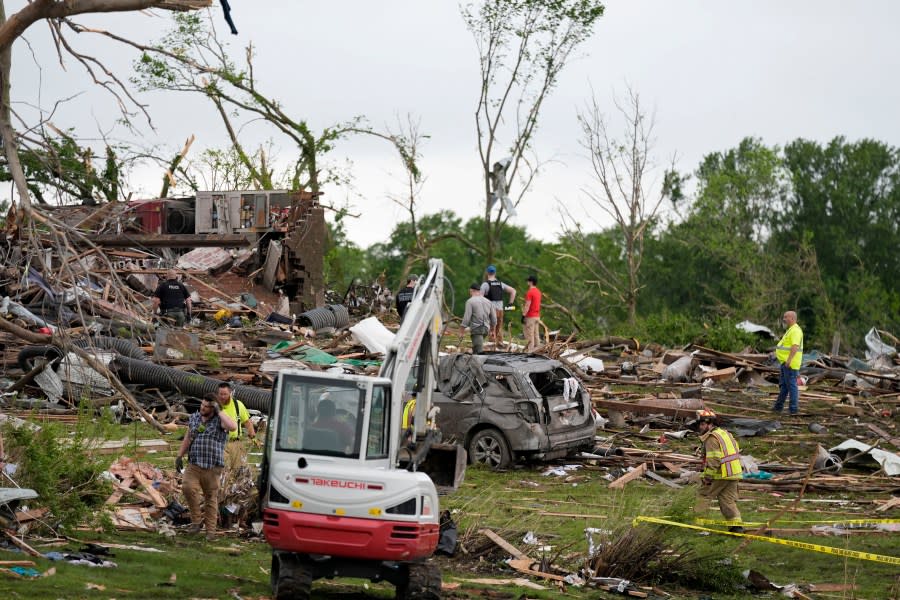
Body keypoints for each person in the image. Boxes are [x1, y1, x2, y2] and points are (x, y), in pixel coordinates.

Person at [176, 394, 237, 541]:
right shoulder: (195, 418)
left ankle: (210, 533)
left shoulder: (220, 421)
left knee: (210, 499)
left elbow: (233, 426)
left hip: (213, 467)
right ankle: (196, 522)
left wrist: (220, 410)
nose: (202, 408)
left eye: (206, 407)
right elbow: (188, 437)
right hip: (194, 464)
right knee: (187, 488)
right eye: (202, 405)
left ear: (213, 408)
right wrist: (179, 456)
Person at [695, 409, 744, 532]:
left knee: (703, 496)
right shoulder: (726, 434)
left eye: (702, 424)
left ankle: (699, 526)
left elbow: (714, 459)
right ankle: (736, 527)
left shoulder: (711, 438)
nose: (700, 427)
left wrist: (707, 477)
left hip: (720, 474)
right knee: (728, 501)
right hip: (734, 474)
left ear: (710, 424)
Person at [216, 382, 257, 471]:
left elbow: (247, 422)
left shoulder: (238, 405)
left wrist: (252, 436)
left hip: (236, 443)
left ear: (230, 393)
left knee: (239, 470)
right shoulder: (214, 406)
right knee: (223, 470)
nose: (222, 397)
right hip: (219, 444)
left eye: (225, 394)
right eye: (220, 394)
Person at [772, 310, 803, 415]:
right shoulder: (791, 330)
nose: (784, 319)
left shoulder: (795, 331)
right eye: (784, 317)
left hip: (790, 364)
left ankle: (793, 409)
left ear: (793, 318)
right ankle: (778, 407)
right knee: (784, 386)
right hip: (786, 363)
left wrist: (789, 360)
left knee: (791, 386)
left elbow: (795, 347)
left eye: (786, 317)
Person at [480, 265, 516, 347]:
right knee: (499, 330)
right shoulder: (501, 284)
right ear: (495, 273)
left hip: (491, 310)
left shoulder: (485, 285)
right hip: (500, 310)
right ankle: (500, 346)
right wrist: (510, 303)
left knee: (492, 330)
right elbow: (513, 291)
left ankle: (492, 348)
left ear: (487, 273)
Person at [461, 283, 496, 354]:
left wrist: (461, 331)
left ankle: (478, 363)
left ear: (471, 291)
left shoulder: (470, 301)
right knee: (477, 347)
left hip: (476, 329)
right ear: (479, 291)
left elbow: (466, 318)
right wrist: (492, 330)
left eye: (470, 291)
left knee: (478, 352)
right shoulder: (488, 302)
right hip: (486, 329)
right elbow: (494, 318)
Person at [522, 274, 542, 352]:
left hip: (530, 316)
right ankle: (539, 350)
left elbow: (527, 305)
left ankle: (530, 352)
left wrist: (523, 315)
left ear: (531, 282)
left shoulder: (530, 292)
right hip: (537, 316)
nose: (527, 282)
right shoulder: (538, 292)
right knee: (536, 334)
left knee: (530, 335)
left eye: (528, 280)